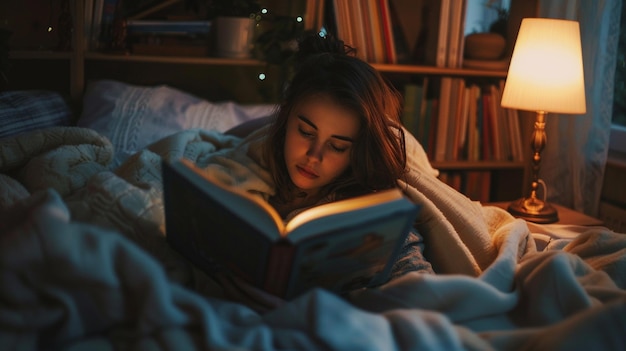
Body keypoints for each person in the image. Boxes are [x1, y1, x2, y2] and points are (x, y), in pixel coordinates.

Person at [220, 33, 433, 310]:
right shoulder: (245, 165)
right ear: (286, 118)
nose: (314, 156)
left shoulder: (373, 218)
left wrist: (300, 311)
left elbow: (423, 299)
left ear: (356, 152)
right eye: (306, 132)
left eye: (337, 146)